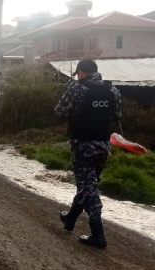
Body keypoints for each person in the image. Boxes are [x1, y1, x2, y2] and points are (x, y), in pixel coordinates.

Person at [55, 59, 121, 248]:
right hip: (103, 146)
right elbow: (117, 116)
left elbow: (59, 111)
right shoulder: (112, 91)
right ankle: (70, 219)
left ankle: (98, 233)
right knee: (88, 184)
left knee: (88, 188)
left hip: (82, 144)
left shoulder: (77, 89)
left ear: (81, 72)